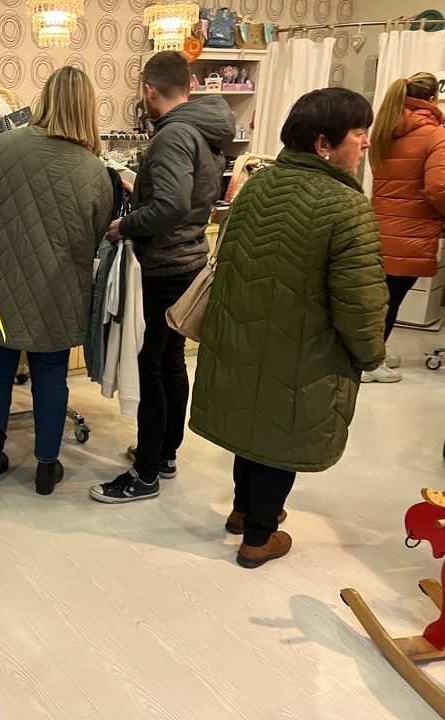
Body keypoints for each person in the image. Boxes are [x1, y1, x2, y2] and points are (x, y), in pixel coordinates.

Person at [188, 88, 388, 568]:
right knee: (283, 433)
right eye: (358, 133)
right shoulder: (347, 206)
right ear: (324, 143)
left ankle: (242, 510)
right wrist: (370, 353)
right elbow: (360, 299)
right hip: (305, 348)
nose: (365, 143)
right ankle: (259, 537)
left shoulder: (257, 186)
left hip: (244, 336)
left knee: (253, 421)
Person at [0, 66, 114, 496]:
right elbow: (97, 231)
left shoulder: (5, 145)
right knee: (51, 376)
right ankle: (46, 466)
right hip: (59, 288)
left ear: (45, 99)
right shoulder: (95, 169)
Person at [89, 51, 234, 504]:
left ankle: (146, 472)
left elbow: (171, 204)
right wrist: (143, 190)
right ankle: (165, 453)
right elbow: (185, 197)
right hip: (189, 257)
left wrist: (127, 224)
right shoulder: (203, 129)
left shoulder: (173, 135)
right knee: (170, 360)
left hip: (165, 262)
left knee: (150, 366)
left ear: (150, 91)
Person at [368, 72, 445, 383]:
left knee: (380, 297)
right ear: (432, 99)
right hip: (411, 231)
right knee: (391, 299)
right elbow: (439, 187)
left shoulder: (386, 129)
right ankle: (370, 363)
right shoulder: (435, 135)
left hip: (380, 226)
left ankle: (373, 353)